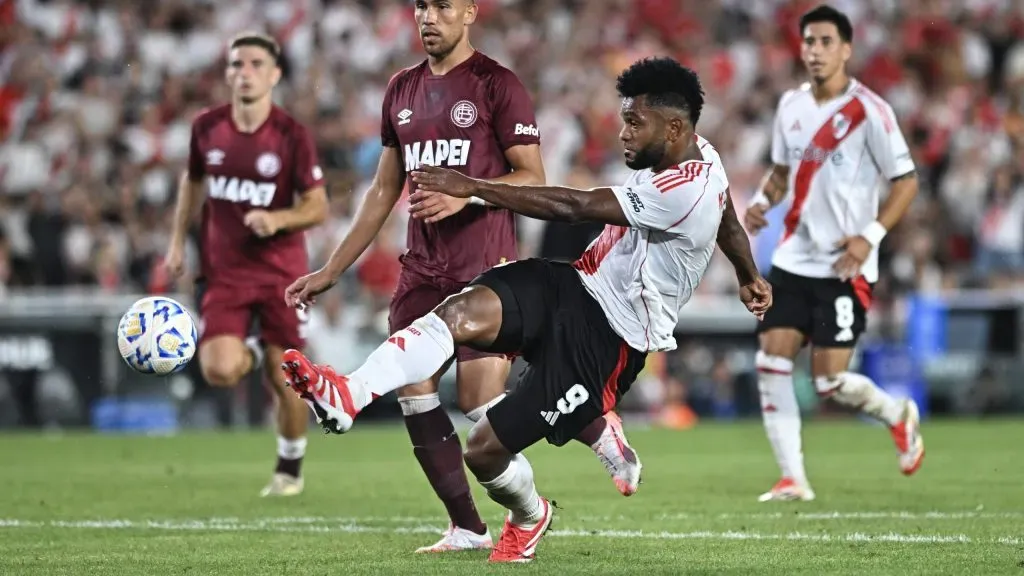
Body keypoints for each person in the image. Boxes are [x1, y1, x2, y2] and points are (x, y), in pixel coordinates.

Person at [282, 56, 771, 563]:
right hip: (575, 282)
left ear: (673, 128)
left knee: (483, 450)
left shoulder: (685, 191)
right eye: (624, 118)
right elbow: (730, 219)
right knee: (459, 313)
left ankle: (530, 514)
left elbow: (575, 207)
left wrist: (472, 187)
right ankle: (349, 392)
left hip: (611, 340)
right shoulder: (702, 156)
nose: (623, 133)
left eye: (634, 123)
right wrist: (748, 275)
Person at [280, 0, 642, 554]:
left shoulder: (498, 85)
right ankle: (468, 527)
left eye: (442, 6)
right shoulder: (400, 89)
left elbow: (533, 178)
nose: (428, 16)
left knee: (478, 406)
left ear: (470, 12)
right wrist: (333, 267)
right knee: (415, 392)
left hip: (485, 269)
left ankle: (586, 429)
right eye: (420, 6)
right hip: (421, 269)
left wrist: (467, 189)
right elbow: (383, 189)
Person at [744, 4, 925, 503]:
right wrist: (761, 202)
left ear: (846, 48)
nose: (815, 51)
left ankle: (896, 414)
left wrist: (870, 234)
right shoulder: (790, 106)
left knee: (829, 382)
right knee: (771, 360)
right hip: (793, 259)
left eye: (825, 42)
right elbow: (782, 173)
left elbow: (906, 182)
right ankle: (792, 478)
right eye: (808, 42)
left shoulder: (871, 110)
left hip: (845, 265)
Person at [164, 33, 328, 497]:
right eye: (237, 64)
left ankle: (289, 469)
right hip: (227, 271)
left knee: (286, 379)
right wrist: (177, 241)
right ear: (228, 74)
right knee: (217, 369)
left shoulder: (292, 135)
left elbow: (317, 207)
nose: (245, 71)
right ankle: (254, 348)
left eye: (256, 63)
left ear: (275, 74)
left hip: (282, 273)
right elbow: (193, 183)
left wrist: (277, 218)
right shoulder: (207, 127)